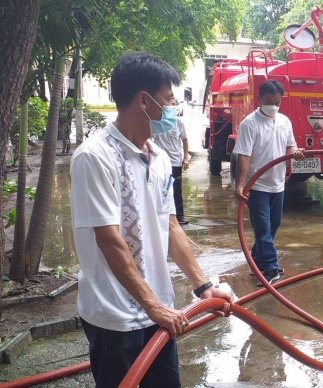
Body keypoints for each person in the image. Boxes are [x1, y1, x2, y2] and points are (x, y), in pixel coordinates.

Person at [70, 51, 233, 387]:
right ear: (144, 102)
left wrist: (203, 287)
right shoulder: (94, 157)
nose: (173, 109)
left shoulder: (158, 157)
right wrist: (152, 306)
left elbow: (169, 225)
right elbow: (109, 239)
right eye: (169, 100)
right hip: (115, 318)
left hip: (161, 313)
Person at [233, 80, 305, 284]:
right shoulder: (249, 124)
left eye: (277, 102)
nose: (273, 106)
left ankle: (256, 260)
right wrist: (240, 185)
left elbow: (290, 146)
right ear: (259, 99)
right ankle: (271, 268)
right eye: (269, 101)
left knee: (274, 225)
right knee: (263, 228)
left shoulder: (284, 121)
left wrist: (295, 153)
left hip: (278, 183)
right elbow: (244, 156)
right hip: (257, 186)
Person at [153, 101, 190, 224]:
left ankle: (179, 216)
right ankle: (162, 216)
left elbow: (184, 140)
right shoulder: (156, 123)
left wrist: (185, 158)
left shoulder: (178, 123)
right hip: (160, 163)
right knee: (162, 189)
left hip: (175, 162)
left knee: (176, 189)